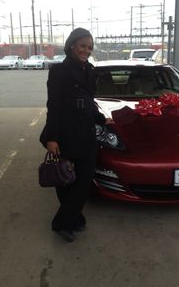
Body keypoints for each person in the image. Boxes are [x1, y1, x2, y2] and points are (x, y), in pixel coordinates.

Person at [40, 27, 107, 242]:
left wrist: (101, 119)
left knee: (84, 179)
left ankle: (68, 218)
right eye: (82, 46)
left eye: (89, 47)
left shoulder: (91, 70)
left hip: (87, 134)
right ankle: (66, 221)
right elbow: (54, 106)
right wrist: (52, 138)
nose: (86, 50)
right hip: (65, 134)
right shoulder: (59, 71)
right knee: (65, 179)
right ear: (71, 46)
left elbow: (88, 103)